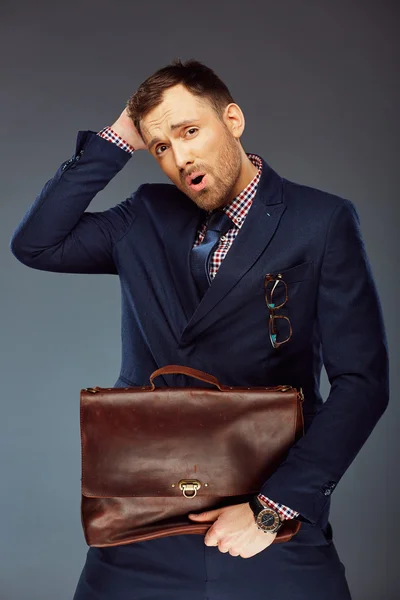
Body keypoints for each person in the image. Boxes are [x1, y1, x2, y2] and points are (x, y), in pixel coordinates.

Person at [10, 59, 389, 600]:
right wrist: (119, 137)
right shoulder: (145, 213)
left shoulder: (320, 220)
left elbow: (362, 382)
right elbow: (36, 245)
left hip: (269, 516)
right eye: (161, 146)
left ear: (232, 119)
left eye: (190, 131)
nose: (180, 157)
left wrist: (270, 510)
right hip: (141, 517)